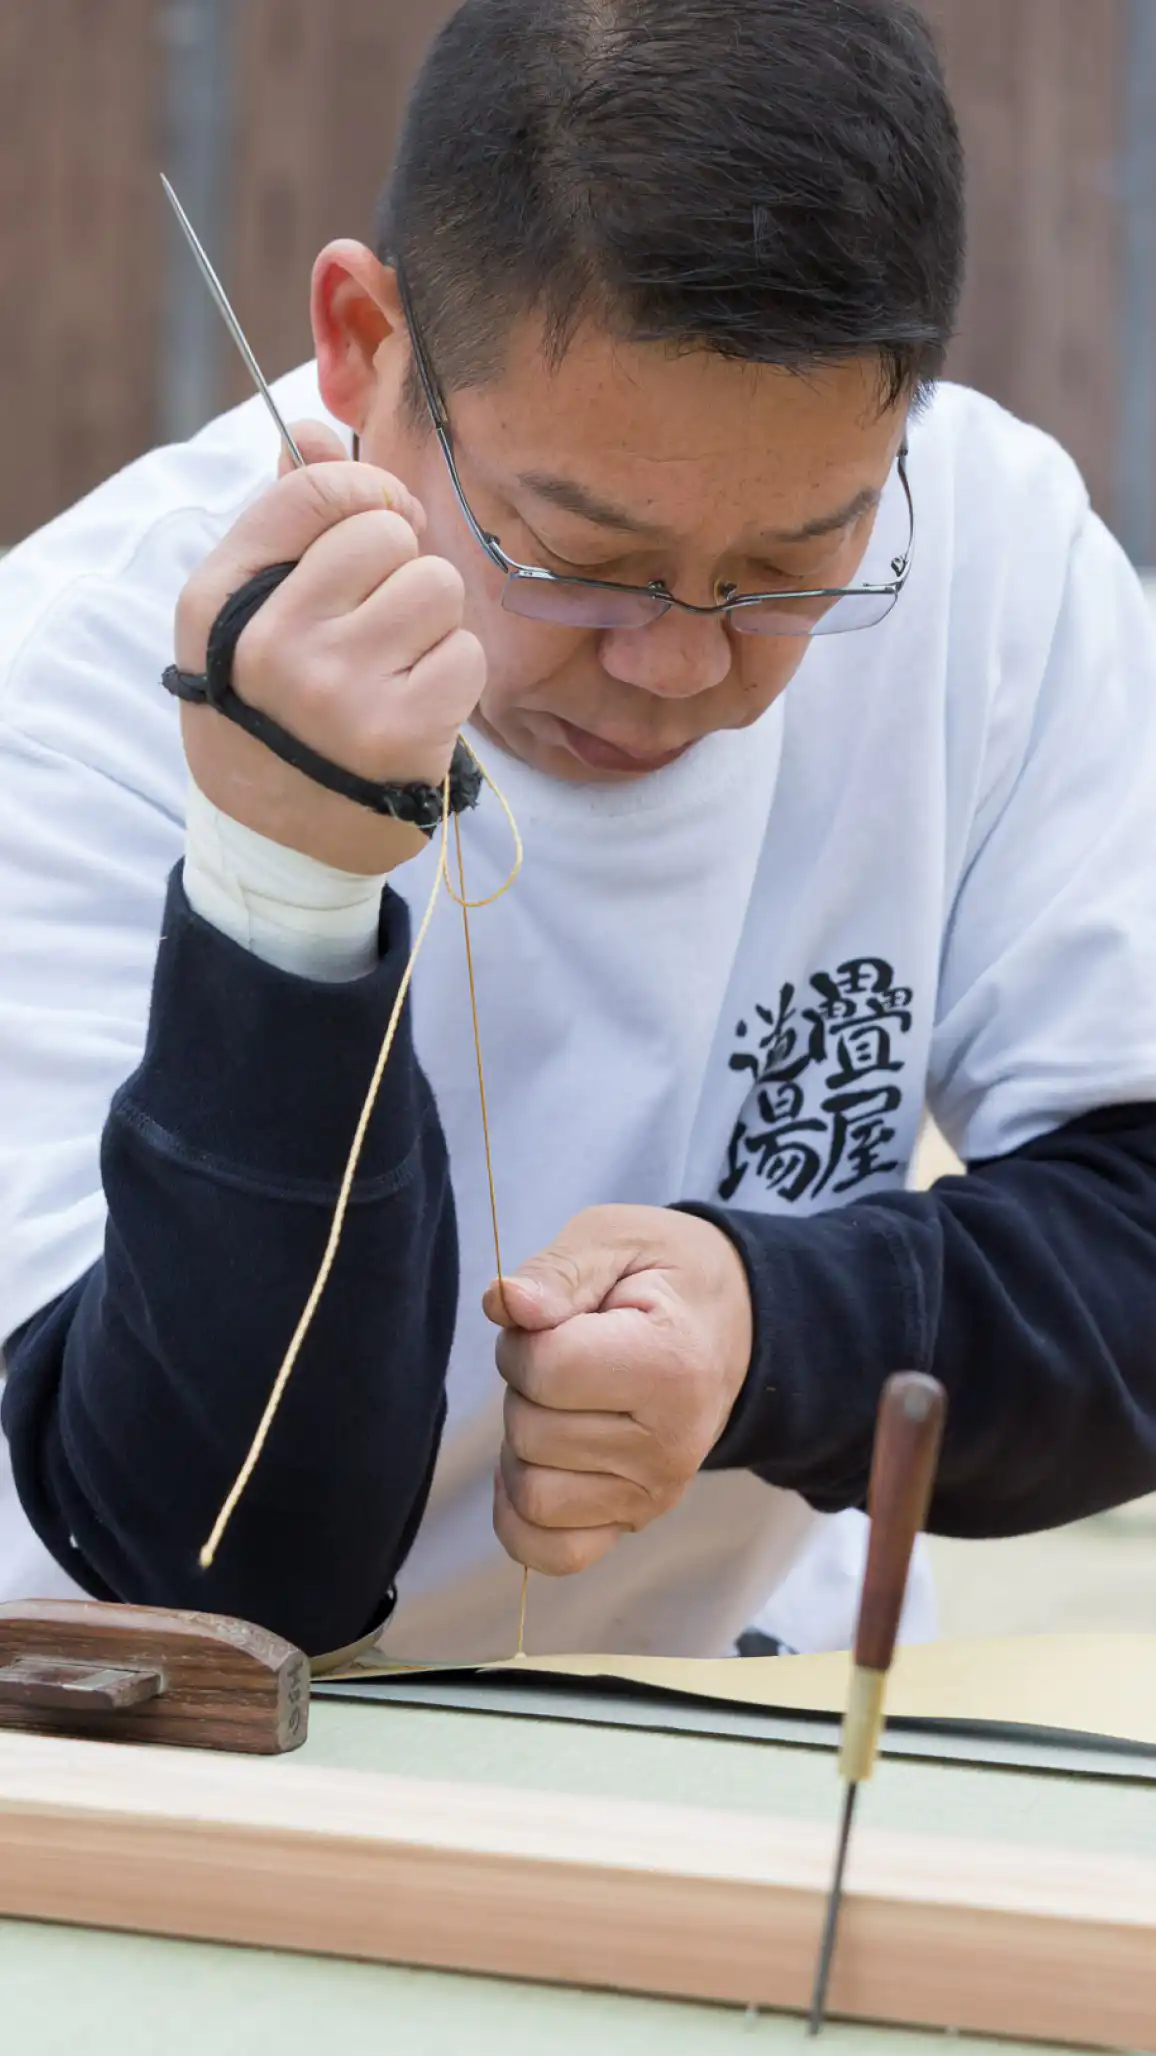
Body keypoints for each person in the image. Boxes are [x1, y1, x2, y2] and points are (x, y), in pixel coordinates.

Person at [2, 0, 1155, 1668]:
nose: (680, 660)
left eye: (793, 561)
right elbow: (206, 1564)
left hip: (674, 1714)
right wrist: (284, 891)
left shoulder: (994, 560)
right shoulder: (77, 696)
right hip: (136, 1748)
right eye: (577, 554)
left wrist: (773, 1327)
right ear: (363, 347)